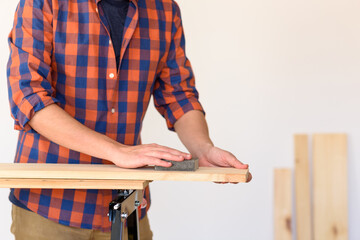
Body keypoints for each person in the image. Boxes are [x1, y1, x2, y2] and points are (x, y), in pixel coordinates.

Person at [6, 0, 251, 239]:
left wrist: (203, 148)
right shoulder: (42, 3)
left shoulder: (165, 9)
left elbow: (179, 96)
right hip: (49, 206)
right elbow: (28, 98)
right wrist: (117, 151)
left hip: (127, 209)